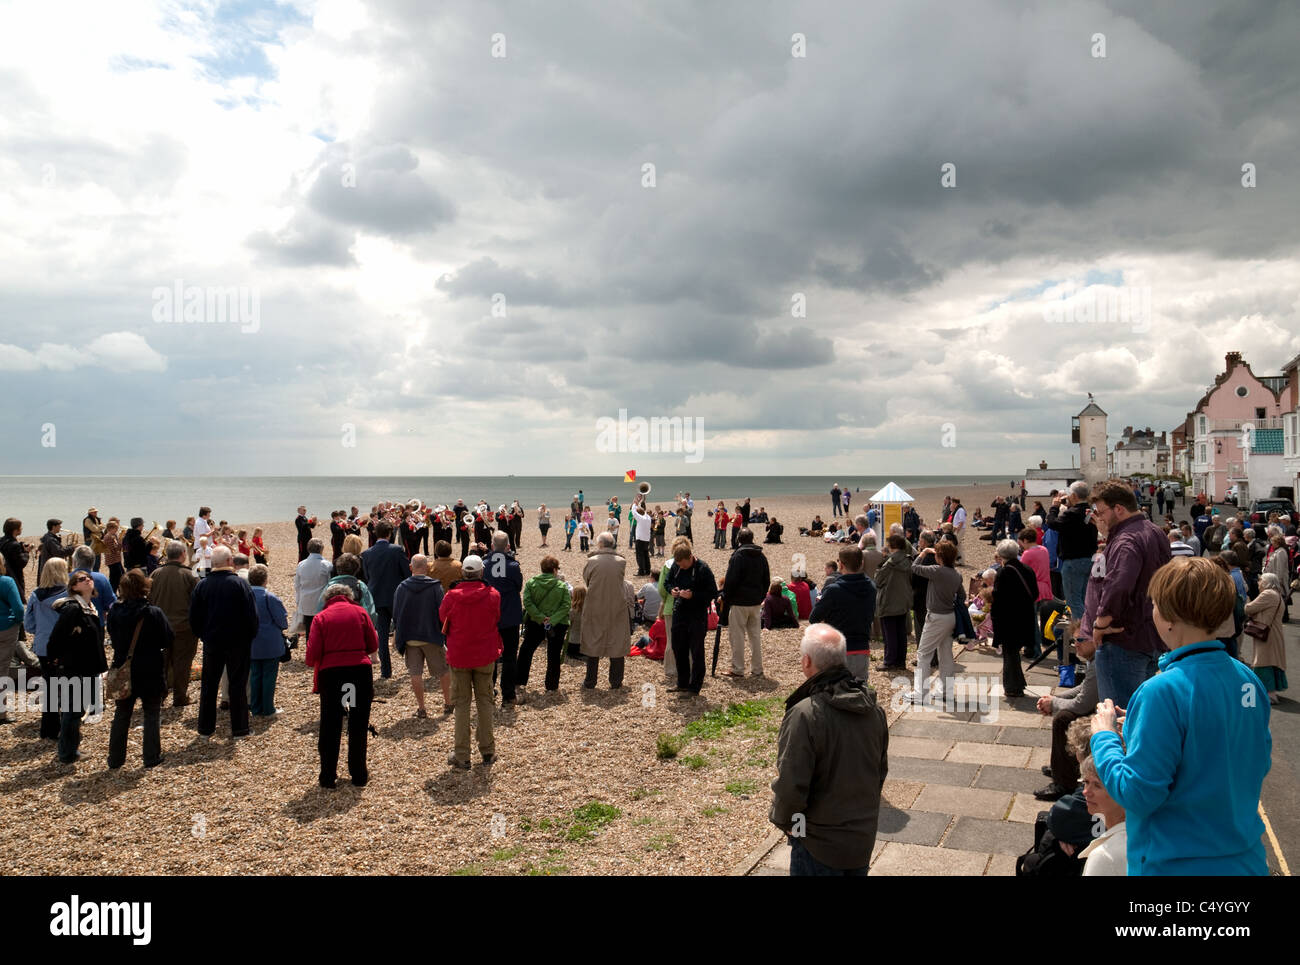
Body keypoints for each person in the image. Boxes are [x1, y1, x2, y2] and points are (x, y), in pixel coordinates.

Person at [1091, 556, 1271, 874]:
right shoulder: (1247, 680)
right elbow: (1247, 756)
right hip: (1245, 859)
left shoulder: (1160, 692)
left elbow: (1137, 794)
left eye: (1156, 605)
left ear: (1170, 617)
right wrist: (1137, 726)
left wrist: (1104, 737)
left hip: (1177, 864)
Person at [769, 624, 889, 876]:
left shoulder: (806, 714)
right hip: (860, 839)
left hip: (818, 845)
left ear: (806, 661)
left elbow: (792, 786)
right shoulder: (873, 710)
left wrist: (790, 826)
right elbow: (879, 772)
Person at [1089, 480, 1171, 709]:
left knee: (1118, 717)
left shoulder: (1126, 540)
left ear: (1119, 509)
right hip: (1153, 636)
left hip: (1125, 640)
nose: (1099, 517)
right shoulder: (1155, 532)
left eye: (1101, 512)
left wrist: (1100, 623)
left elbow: (1119, 585)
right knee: (1141, 713)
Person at [306, 584, 378, 787]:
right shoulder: (360, 612)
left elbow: (312, 655)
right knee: (358, 721)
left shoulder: (321, 617)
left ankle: (328, 776)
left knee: (331, 723)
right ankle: (358, 774)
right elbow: (373, 644)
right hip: (357, 673)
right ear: (348, 596)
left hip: (332, 675)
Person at [105, 568, 173, 768]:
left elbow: (111, 634)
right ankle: (151, 757)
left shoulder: (115, 611)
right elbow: (168, 637)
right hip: (149, 667)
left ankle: (115, 759)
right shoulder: (153, 612)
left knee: (122, 714)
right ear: (144, 587)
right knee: (152, 712)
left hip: (123, 667)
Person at [439, 555, 502, 769]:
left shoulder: (451, 596)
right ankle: (487, 751)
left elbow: (442, 617)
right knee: (485, 702)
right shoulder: (493, 594)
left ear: (463, 573)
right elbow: (496, 617)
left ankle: (462, 754)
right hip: (484, 653)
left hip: (460, 655)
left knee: (462, 704)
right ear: (481, 572)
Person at [190, 546, 259, 738]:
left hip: (213, 641)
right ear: (229, 561)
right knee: (237, 684)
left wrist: (203, 635)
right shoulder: (239, 584)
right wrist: (249, 636)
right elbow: (251, 615)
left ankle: (205, 728)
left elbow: (194, 618)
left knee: (209, 685)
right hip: (238, 642)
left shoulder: (202, 585)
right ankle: (240, 728)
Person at [45, 571, 107, 764]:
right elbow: (56, 639)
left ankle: (71, 748)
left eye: (88, 577)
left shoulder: (89, 607)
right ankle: (67, 753)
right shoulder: (73, 609)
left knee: (78, 710)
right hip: (74, 667)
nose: (88, 580)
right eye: (81, 579)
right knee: (73, 710)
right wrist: (55, 659)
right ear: (73, 587)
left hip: (88, 666)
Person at [906, 540, 963, 704]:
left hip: (936, 617)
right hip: (950, 616)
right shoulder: (957, 575)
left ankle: (920, 694)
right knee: (945, 655)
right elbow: (962, 596)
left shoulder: (936, 571)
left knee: (923, 654)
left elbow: (914, 568)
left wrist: (922, 553)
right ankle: (945, 691)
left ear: (939, 557)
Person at [393, 554, 450, 717]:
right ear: (427, 567)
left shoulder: (401, 587)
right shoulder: (435, 587)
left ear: (411, 567)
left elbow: (396, 613)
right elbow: (442, 612)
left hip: (410, 637)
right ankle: (448, 703)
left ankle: (422, 708)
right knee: (443, 671)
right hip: (431, 634)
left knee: (415, 673)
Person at [148, 540, 200, 707]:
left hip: (160, 627)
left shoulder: (155, 574)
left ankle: (159, 696)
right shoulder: (189, 575)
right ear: (183, 554)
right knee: (182, 663)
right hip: (184, 627)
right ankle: (180, 696)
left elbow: (148, 599)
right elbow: (198, 602)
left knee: (161, 663)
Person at [359, 522, 411, 680]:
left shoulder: (367, 553)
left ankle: (385, 671)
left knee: (382, 635)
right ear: (389, 534)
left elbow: (368, 576)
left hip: (377, 596)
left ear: (375, 533)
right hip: (396, 595)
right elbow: (406, 573)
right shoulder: (396, 550)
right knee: (404, 629)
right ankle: (412, 666)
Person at [666, 539, 718, 698]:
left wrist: (693, 595)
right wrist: (672, 591)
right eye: (678, 565)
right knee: (678, 648)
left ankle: (695, 687)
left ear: (690, 558)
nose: (681, 567)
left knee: (697, 652)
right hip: (679, 612)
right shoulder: (676, 566)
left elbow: (712, 593)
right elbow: (667, 582)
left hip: (697, 615)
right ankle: (682, 683)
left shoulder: (703, 569)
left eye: (683, 564)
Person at [581, 532, 630, 689]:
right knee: (616, 641)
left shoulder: (592, 561)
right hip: (616, 605)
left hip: (595, 604)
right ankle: (616, 681)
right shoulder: (621, 561)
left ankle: (590, 680)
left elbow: (587, 579)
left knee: (593, 639)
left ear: (600, 544)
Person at [519, 556, 572, 697]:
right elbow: (566, 606)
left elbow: (527, 603)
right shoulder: (561, 586)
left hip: (536, 622)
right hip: (557, 624)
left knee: (526, 651)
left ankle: (519, 681)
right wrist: (551, 620)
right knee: (553, 654)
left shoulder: (531, 583)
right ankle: (552, 685)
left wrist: (541, 618)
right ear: (554, 570)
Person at [721, 529, 769, 678]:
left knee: (737, 636)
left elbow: (731, 580)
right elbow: (766, 579)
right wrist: (760, 596)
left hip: (739, 602)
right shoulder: (761, 556)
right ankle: (757, 668)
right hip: (755, 602)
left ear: (738, 539)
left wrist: (726, 597)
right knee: (755, 636)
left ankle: (738, 668)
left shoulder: (738, 556)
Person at [1047, 481, 1098, 623]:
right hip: (1089, 559)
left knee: (1073, 601)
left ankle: (1083, 635)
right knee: (1083, 599)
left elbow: (1052, 524)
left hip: (1073, 561)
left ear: (1074, 495)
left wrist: (1054, 507)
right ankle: (1088, 629)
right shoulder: (1090, 511)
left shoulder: (1072, 513)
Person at [483, 532, 524, 704]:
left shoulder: (484, 564)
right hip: (509, 615)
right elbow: (518, 585)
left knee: (490, 655)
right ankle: (508, 694)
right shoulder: (513, 566)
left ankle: (489, 690)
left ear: (492, 546)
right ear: (508, 546)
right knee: (509, 655)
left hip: (490, 616)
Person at [247, 564, 288, 717]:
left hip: (251, 642)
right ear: (265, 580)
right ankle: (268, 708)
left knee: (255, 675)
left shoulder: (245, 597)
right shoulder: (270, 597)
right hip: (270, 643)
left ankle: (256, 708)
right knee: (269, 676)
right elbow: (282, 622)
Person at [1077, 755, 1127, 876]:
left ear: (1122, 792)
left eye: (1097, 785)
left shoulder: (1105, 856)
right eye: (1086, 782)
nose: (1085, 791)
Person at [1245, 572, 1288, 703]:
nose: (1258, 584)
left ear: (1266, 582)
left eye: (1260, 581)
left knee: (1264, 661)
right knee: (1271, 661)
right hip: (1274, 633)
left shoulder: (1267, 594)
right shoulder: (1277, 596)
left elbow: (1249, 608)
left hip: (1266, 634)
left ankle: (1270, 694)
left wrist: (1246, 599)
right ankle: (1271, 691)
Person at [874, 534, 913, 671]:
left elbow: (878, 580)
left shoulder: (890, 562)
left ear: (891, 546)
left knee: (889, 633)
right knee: (900, 632)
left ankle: (889, 661)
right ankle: (900, 661)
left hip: (889, 600)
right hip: (903, 600)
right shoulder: (908, 560)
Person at [0, 556, 26, 724]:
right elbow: (18, 608)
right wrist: (16, 621)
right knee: (2, 670)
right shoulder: (7, 582)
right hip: (5, 629)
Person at [294, 538, 333, 646]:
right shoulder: (327, 565)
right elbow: (330, 585)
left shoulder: (301, 564)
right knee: (323, 630)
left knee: (309, 630)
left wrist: (298, 601)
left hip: (306, 602)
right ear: (321, 549)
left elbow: (297, 585)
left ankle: (310, 653)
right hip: (321, 602)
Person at [69, 545, 115, 627]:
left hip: (71, 625)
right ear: (93, 561)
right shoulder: (101, 578)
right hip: (96, 624)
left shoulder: (66, 578)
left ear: (75, 561)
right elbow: (111, 603)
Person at [37, 518, 73, 582]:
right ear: (54, 527)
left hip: (48, 566)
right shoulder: (51, 539)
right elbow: (59, 553)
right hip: (52, 568)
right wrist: (72, 548)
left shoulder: (48, 537)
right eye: (59, 525)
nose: (61, 527)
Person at [631, 500, 653, 576]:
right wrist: (639, 504)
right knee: (646, 554)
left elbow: (633, 512)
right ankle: (647, 570)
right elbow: (643, 511)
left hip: (640, 539)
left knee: (639, 555)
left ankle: (641, 571)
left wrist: (634, 504)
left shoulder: (641, 518)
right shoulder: (648, 518)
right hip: (646, 539)